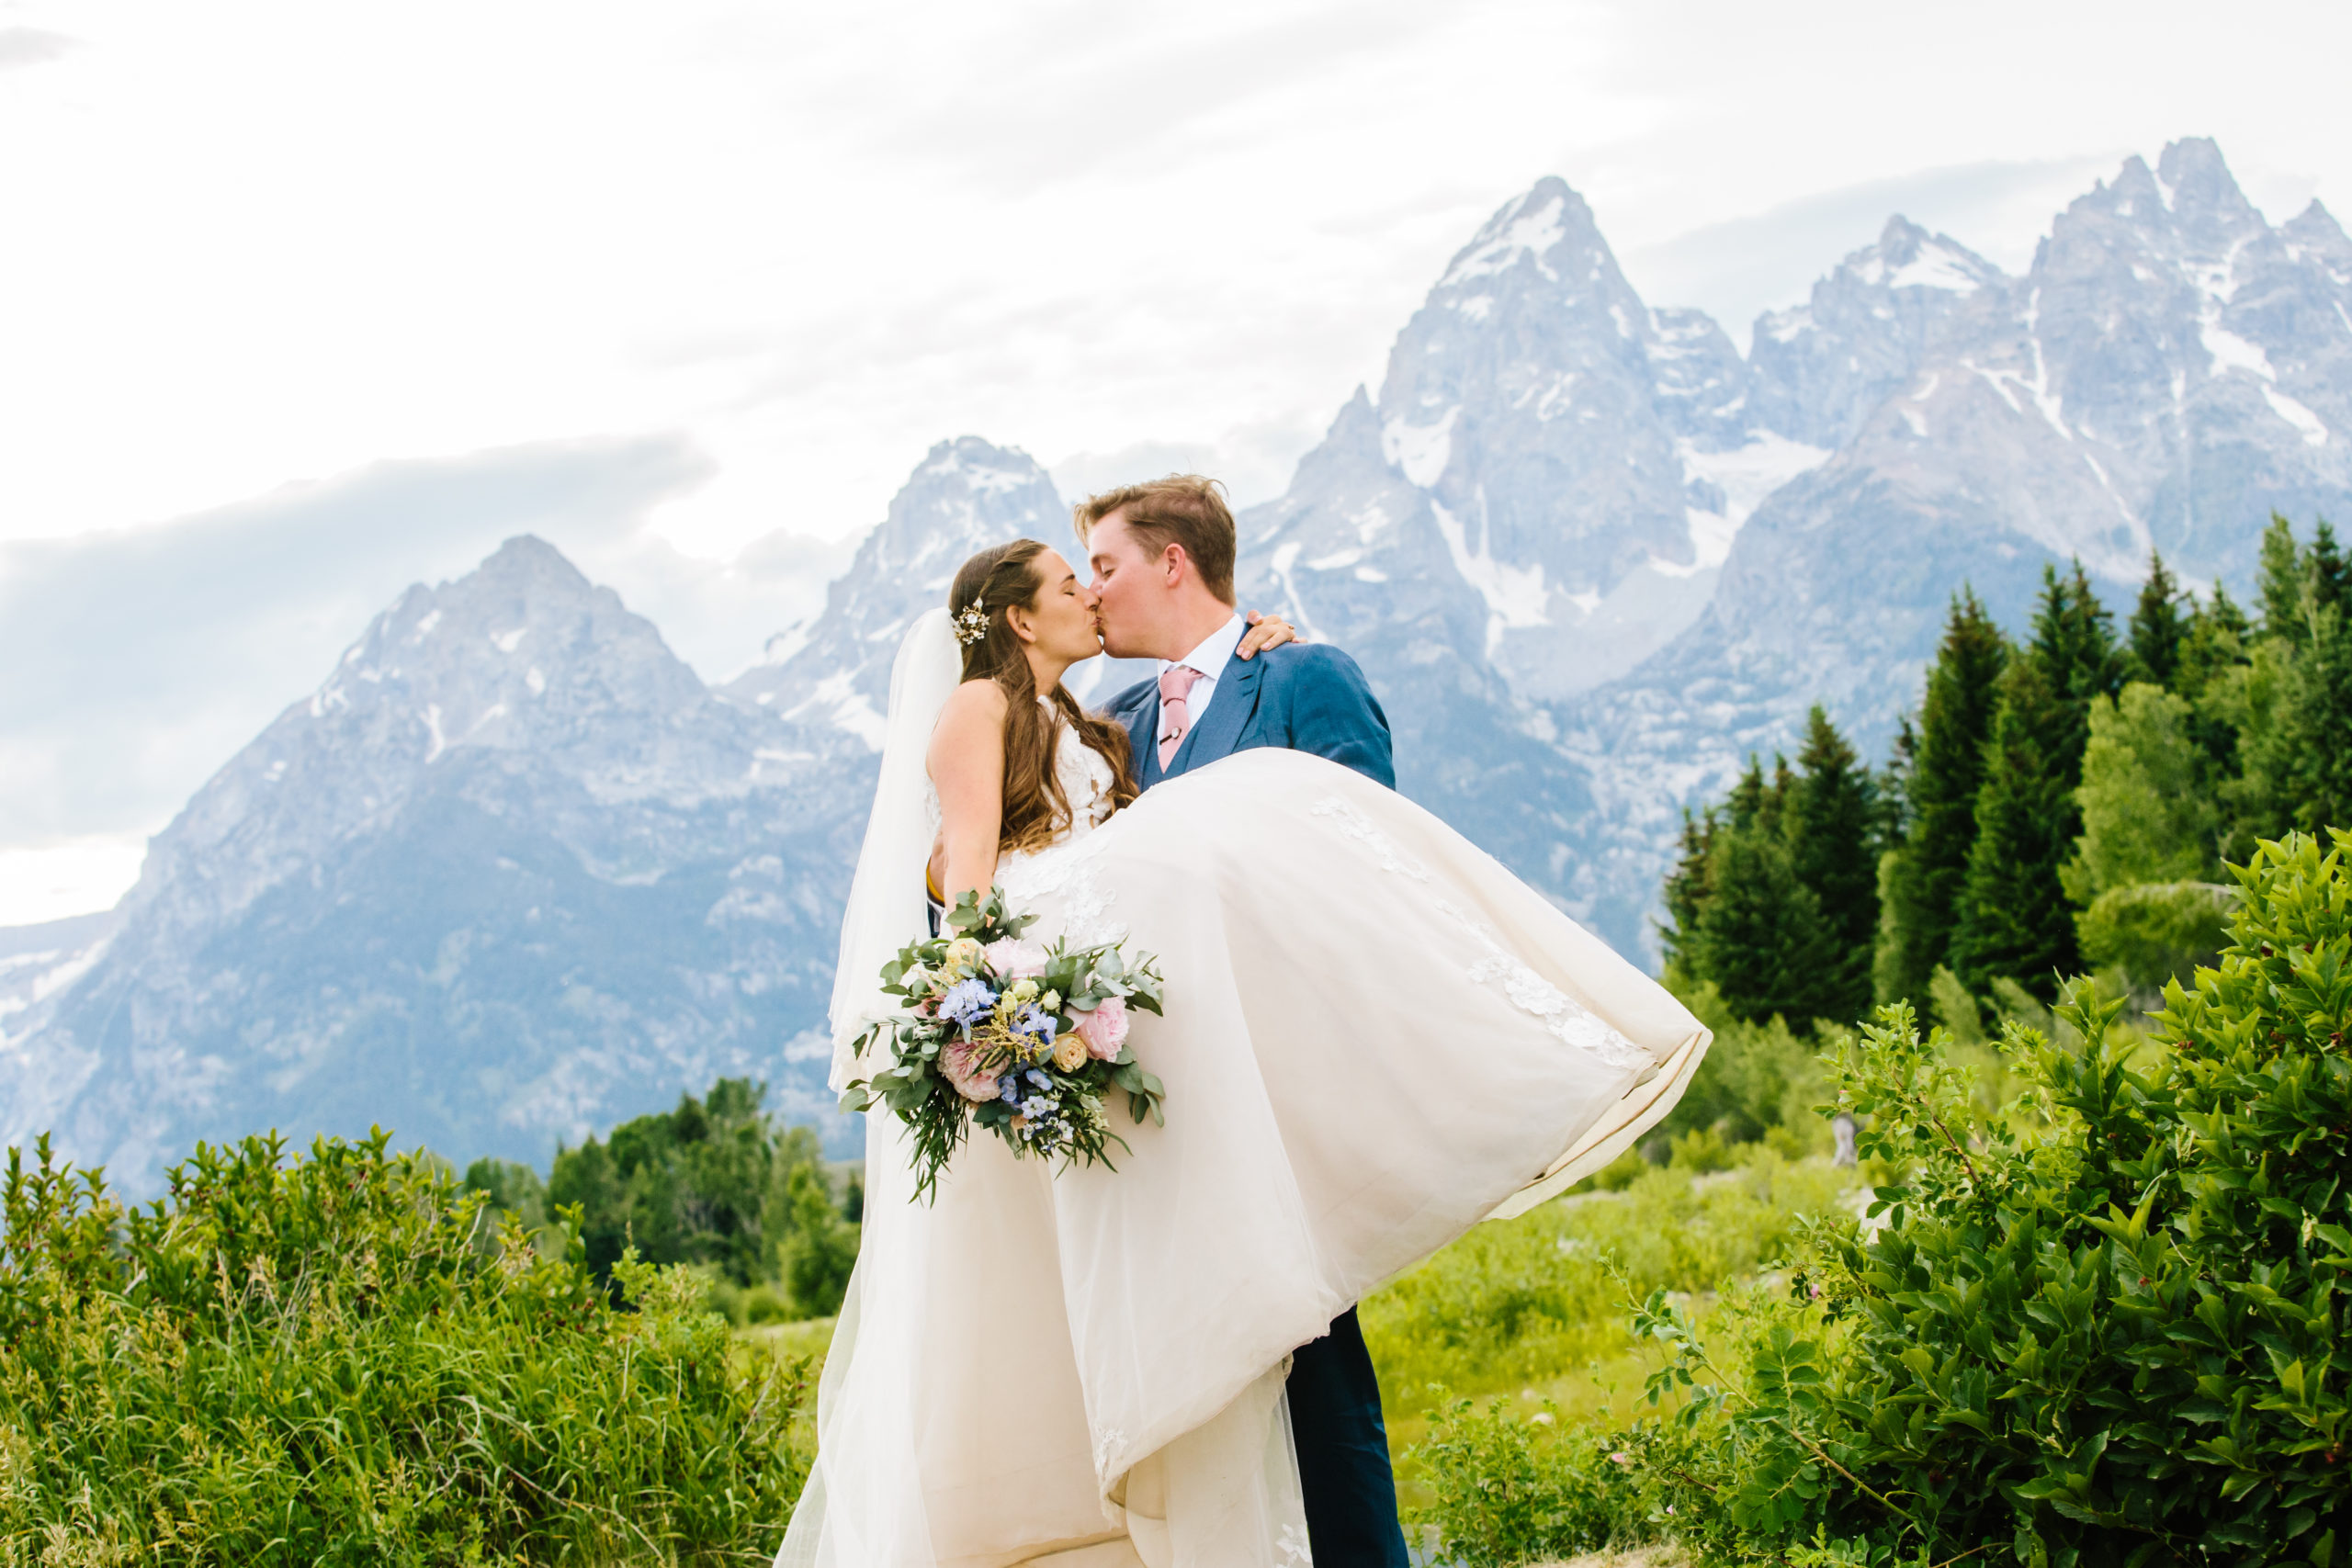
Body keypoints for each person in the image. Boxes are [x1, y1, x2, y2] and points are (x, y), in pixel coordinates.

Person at [778, 497, 1714, 1568]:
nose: (1092, 589)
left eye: (1103, 565)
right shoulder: (1105, 711)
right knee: (1171, 1365)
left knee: (1308, 1353)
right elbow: (988, 874)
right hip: (1135, 1091)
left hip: (1265, 1091)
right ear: (1021, 618)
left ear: (1170, 564)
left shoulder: (1289, 675)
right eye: (1073, 576)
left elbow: (1358, 853)